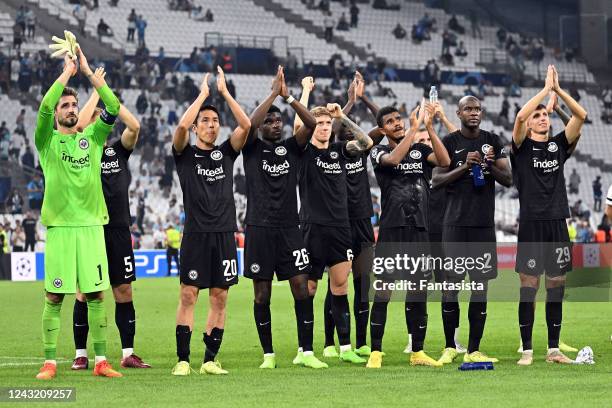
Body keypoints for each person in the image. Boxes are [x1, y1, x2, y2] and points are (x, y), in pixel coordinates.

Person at [34, 48, 122, 380]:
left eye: (74, 105)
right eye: (66, 106)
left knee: (97, 293)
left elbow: (112, 107)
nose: (71, 109)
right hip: (59, 228)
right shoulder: (46, 142)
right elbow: (43, 108)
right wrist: (66, 74)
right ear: (57, 114)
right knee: (55, 294)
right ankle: (50, 362)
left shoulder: (93, 138)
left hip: (90, 227)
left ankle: (101, 361)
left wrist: (89, 74)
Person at [242, 67, 326, 369]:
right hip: (259, 230)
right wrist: (272, 94)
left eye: (278, 121)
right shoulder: (251, 149)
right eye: (271, 121)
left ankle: (306, 352)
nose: (276, 124)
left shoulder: (292, 148)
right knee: (262, 294)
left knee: (302, 288)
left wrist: (288, 97)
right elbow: (249, 123)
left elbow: (312, 122)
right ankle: (268, 354)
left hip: (291, 229)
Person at [171, 67, 251, 376]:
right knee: (188, 295)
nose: (211, 125)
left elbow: (245, 124)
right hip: (196, 234)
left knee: (220, 297)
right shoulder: (184, 154)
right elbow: (180, 126)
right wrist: (203, 95)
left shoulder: (226, 154)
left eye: (215, 121)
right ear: (195, 127)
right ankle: (182, 359)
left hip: (224, 235)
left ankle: (208, 360)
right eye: (204, 121)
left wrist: (226, 93)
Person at [70, 68, 150, 370]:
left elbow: (135, 126)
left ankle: (128, 353)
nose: (96, 122)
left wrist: (106, 92)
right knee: (87, 292)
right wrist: (94, 92)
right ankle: (81, 353)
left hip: (118, 229)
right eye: (94, 119)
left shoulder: (118, 152)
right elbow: (77, 126)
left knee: (123, 291)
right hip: (90, 229)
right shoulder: (81, 150)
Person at [366, 100, 451, 369]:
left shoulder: (420, 149)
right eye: (390, 121)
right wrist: (414, 131)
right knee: (384, 291)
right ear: (382, 128)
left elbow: (446, 161)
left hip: (419, 230)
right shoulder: (377, 152)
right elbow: (393, 160)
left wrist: (430, 128)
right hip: (392, 229)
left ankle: (417, 352)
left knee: (418, 291)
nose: (397, 123)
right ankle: (376, 352)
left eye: (399, 119)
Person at [511, 65, 587, 366]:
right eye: (538, 116)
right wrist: (544, 90)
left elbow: (580, 117)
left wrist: (558, 91)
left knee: (556, 284)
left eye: (546, 115)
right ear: (530, 124)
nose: (543, 118)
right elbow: (518, 117)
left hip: (557, 222)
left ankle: (553, 349)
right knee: (528, 286)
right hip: (531, 223)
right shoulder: (520, 147)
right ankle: (527, 350)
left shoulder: (557, 147)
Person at [295, 85, 373, 365]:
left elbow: (366, 143)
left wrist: (344, 117)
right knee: (310, 290)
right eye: (319, 123)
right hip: (312, 228)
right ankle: (305, 351)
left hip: (341, 228)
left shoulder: (341, 151)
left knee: (341, 287)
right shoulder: (303, 153)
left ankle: (345, 347)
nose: (325, 127)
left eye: (328, 123)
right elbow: (298, 124)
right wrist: (304, 92)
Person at [432, 95, 512, 365]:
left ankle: (474, 349)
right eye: (468, 109)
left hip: (482, 227)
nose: (474, 112)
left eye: (477, 108)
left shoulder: (493, 140)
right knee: (450, 287)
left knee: (480, 289)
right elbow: (436, 180)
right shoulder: (450, 142)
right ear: (459, 113)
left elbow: (508, 179)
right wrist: (464, 167)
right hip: (454, 225)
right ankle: (449, 345)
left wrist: (488, 164)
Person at [321, 74, 379, 360]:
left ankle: (361, 341)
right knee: (337, 284)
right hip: (337, 224)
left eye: (348, 129)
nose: (346, 132)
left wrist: (359, 100)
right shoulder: (328, 154)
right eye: (341, 129)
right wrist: (346, 106)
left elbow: (377, 129)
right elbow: (332, 124)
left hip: (363, 223)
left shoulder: (360, 152)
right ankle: (329, 342)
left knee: (362, 285)